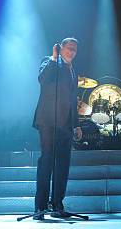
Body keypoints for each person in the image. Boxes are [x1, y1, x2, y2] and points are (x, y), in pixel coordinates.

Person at [32, 38, 82, 219]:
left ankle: (57, 204)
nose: (72, 52)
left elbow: (72, 100)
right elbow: (42, 79)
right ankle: (39, 206)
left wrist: (76, 124)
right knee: (46, 161)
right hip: (48, 121)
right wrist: (54, 58)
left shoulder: (72, 71)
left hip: (66, 124)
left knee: (62, 165)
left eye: (75, 50)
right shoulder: (49, 61)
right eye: (69, 48)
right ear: (61, 48)